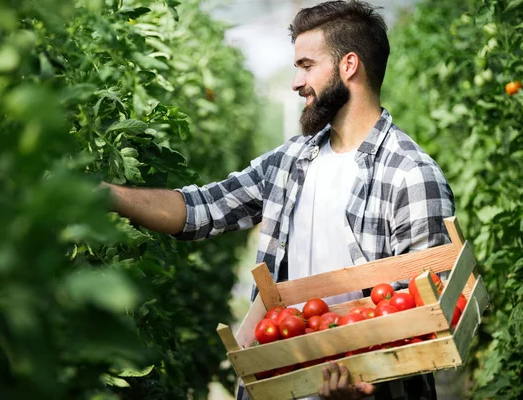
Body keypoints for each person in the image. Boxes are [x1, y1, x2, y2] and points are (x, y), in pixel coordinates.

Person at [102, 1, 454, 399]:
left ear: (349, 65)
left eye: (306, 65)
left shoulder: (410, 175)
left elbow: (426, 319)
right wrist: (110, 196)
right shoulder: (291, 161)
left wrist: (362, 383)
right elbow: (201, 210)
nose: (295, 81)